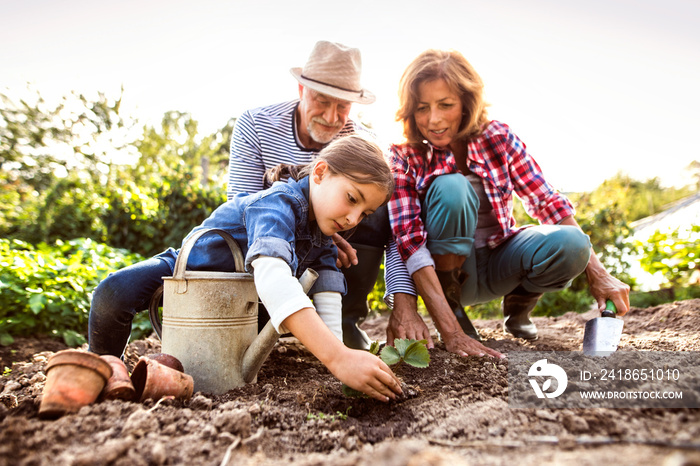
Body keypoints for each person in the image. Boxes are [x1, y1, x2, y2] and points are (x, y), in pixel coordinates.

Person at [88, 136, 402, 401]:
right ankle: (103, 369)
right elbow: (272, 274)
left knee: (265, 324)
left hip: (237, 305)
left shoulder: (322, 231)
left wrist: (338, 353)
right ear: (320, 172)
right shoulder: (278, 204)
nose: (352, 219)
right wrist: (338, 358)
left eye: (364, 214)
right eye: (351, 199)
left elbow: (328, 289)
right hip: (188, 272)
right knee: (113, 292)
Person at [384, 49, 630, 358]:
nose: (434, 119)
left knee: (574, 244)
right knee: (452, 187)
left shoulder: (497, 137)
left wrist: (599, 274)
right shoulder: (404, 155)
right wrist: (452, 333)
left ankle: (519, 305)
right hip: (448, 276)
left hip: (501, 259)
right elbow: (408, 243)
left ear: (465, 103)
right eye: (422, 108)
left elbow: (546, 201)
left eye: (445, 105)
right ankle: (455, 311)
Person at [228, 40, 399, 350]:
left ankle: (345, 319)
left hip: (328, 240)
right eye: (322, 100)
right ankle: (261, 314)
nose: (333, 117)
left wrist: (402, 301)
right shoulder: (255, 124)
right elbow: (243, 204)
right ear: (301, 90)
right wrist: (320, 233)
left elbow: (396, 234)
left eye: (343, 106)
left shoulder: (363, 141)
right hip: (270, 238)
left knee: (376, 200)